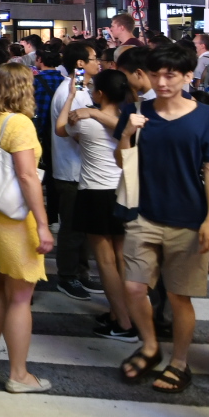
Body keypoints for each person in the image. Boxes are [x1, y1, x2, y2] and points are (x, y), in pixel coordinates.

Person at [117, 43, 209, 394]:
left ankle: (179, 362)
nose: (162, 82)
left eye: (171, 75)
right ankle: (150, 345)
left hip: (188, 218)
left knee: (180, 297)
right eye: (156, 74)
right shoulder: (136, 110)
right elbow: (124, 164)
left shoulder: (206, 117)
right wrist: (126, 133)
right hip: (143, 214)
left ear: (187, 76)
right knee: (134, 287)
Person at [0, 63, 53, 393]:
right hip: (13, 216)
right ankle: (18, 374)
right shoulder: (20, 123)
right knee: (21, 296)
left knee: (1, 283)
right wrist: (43, 225)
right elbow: (28, 176)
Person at [65, 68, 137, 341]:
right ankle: (126, 314)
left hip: (95, 192)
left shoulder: (88, 122)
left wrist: (75, 100)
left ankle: (123, 322)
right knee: (121, 258)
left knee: (105, 261)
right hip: (123, 190)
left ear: (100, 93)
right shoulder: (129, 119)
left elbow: (62, 129)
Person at [48, 42, 100, 300]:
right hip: (71, 169)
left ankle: (81, 272)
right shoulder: (71, 92)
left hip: (79, 168)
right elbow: (81, 133)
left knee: (82, 225)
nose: (97, 62)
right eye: (93, 58)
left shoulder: (78, 88)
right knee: (71, 226)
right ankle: (67, 276)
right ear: (80, 64)